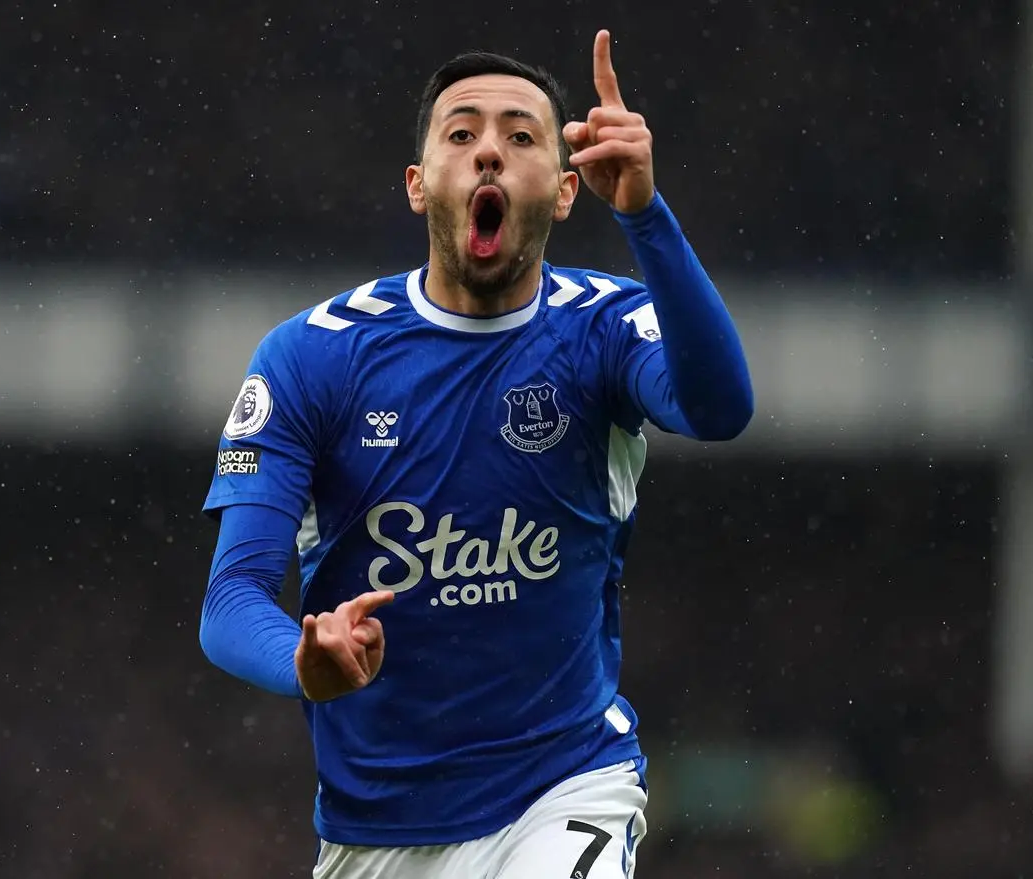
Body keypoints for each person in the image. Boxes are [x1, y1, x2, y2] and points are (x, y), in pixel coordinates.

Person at [198, 29, 753, 878]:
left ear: (566, 190)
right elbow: (231, 600)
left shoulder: (603, 327)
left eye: (521, 136)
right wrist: (304, 662)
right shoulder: (311, 358)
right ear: (421, 186)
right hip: (374, 825)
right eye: (461, 134)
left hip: (563, 788)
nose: (489, 151)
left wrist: (645, 214)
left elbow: (720, 409)